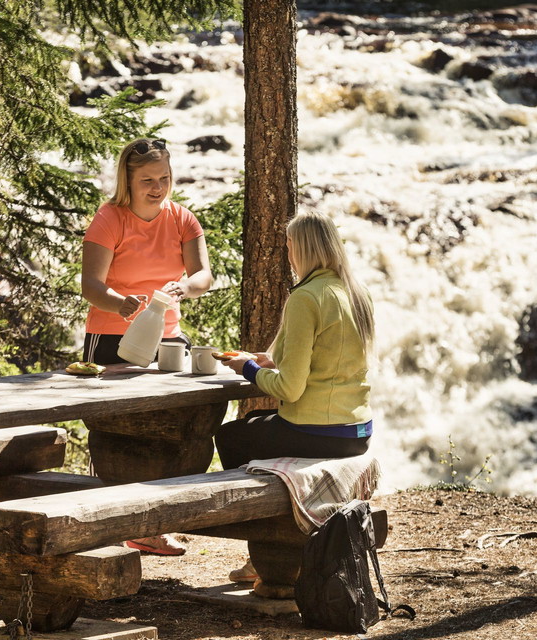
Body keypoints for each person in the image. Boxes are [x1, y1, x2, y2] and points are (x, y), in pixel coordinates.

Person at [216, 211, 374, 582]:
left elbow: (290, 389)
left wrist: (247, 369)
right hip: (357, 431)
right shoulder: (355, 292)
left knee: (230, 436)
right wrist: (270, 360)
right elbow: (330, 357)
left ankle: (269, 548)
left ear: (301, 249)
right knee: (253, 424)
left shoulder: (306, 297)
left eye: (289, 246)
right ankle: (279, 540)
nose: (287, 254)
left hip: (319, 430)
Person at [81, 138, 212, 556]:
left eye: (164, 178)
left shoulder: (182, 219)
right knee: (117, 432)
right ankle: (112, 524)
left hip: (167, 335)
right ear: (128, 180)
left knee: (177, 427)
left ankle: (154, 523)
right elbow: (91, 286)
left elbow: (203, 275)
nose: (158, 188)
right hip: (111, 337)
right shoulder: (109, 218)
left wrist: (185, 287)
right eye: (147, 180)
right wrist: (120, 304)